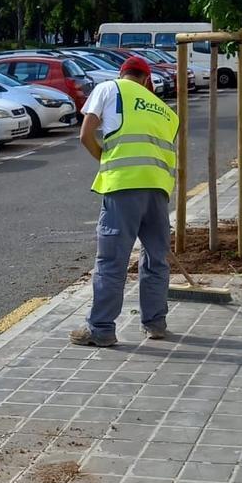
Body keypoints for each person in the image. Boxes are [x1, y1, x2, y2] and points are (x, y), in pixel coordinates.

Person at [71, 56, 180, 347]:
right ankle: (155, 323)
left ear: (123, 74)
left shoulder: (110, 89)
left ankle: (101, 328)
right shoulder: (166, 111)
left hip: (123, 187)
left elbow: (86, 134)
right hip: (158, 191)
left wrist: (105, 160)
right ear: (147, 80)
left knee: (112, 260)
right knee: (156, 259)